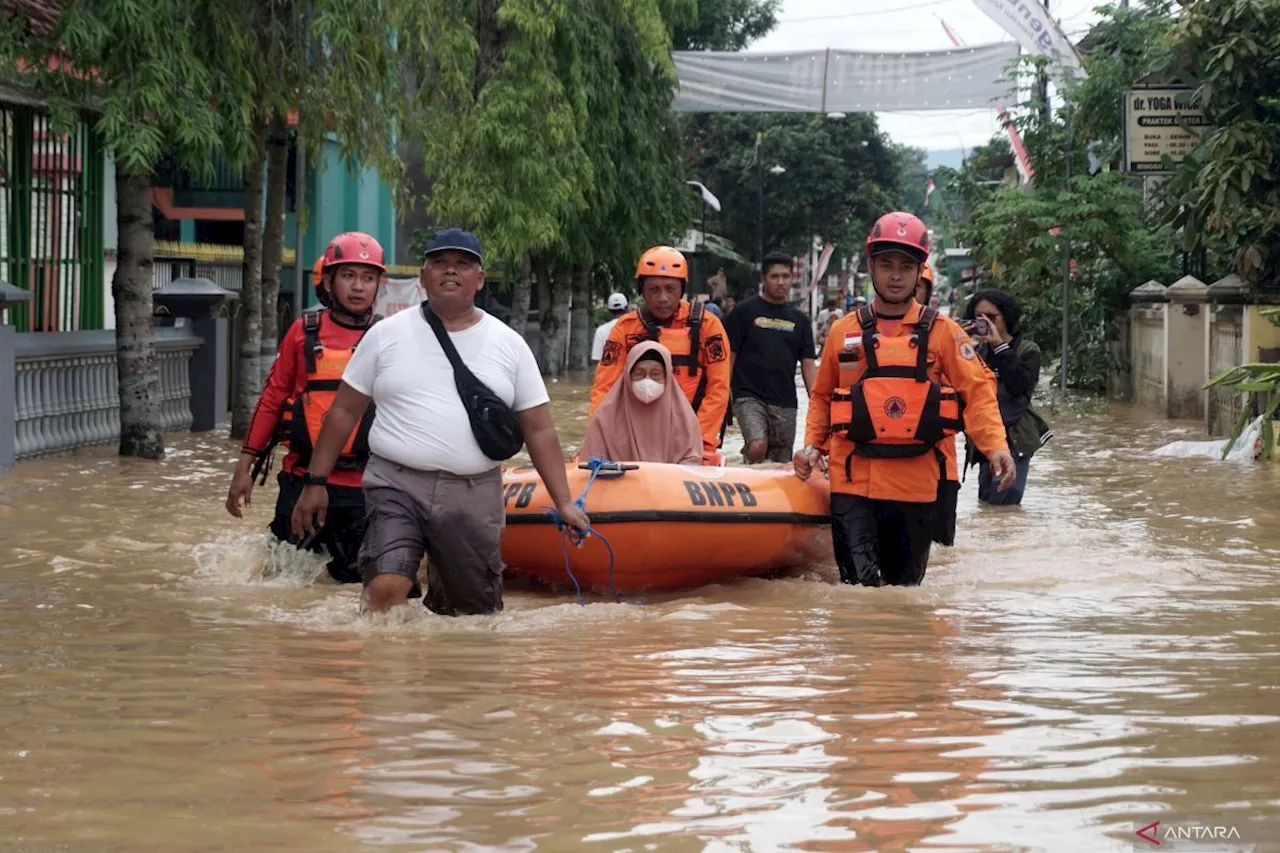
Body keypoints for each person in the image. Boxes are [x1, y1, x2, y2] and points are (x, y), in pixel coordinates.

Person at [291, 227, 589, 616]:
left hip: (472, 491)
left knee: (470, 616)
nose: (451, 272)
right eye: (440, 263)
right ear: (423, 276)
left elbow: (539, 428)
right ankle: (381, 673)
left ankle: (443, 675)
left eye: (463, 264)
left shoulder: (510, 344)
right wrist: (316, 482)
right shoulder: (384, 336)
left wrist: (564, 502)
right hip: (394, 483)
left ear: (479, 280)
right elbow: (344, 411)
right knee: (386, 587)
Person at [793, 211, 1017, 587]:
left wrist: (996, 447)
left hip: (915, 483)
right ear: (871, 268)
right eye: (886, 265)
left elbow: (977, 392)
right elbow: (823, 395)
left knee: (903, 594)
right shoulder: (843, 331)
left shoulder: (944, 333)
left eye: (905, 266)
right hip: (853, 483)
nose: (895, 275)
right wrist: (813, 444)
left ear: (919, 271)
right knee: (859, 593)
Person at [226, 232, 385, 585]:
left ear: (378, 284)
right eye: (348, 276)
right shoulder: (302, 333)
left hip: (364, 488)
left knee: (357, 588)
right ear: (329, 281)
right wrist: (244, 468)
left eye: (368, 278)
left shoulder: (389, 337)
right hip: (301, 481)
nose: (358, 287)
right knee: (283, 584)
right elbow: (271, 399)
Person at [590, 246, 731, 465]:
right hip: (638, 432)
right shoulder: (625, 329)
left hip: (695, 432)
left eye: (670, 289)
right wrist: (595, 438)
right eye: (654, 289)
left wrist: (700, 441)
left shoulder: (708, 326)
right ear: (641, 290)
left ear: (682, 289)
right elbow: (604, 389)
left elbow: (719, 388)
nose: (662, 298)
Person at [960, 289, 1052, 505]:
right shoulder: (974, 351)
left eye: (991, 317)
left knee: (1005, 502)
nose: (984, 323)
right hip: (985, 436)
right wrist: (958, 342)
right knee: (986, 501)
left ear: (1006, 317)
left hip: (1015, 437)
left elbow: (1020, 385)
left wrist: (999, 346)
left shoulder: (1028, 350)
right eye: (978, 318)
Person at [724, 250, 817, 464]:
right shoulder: (743, 312)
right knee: (758, 446)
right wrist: (722, 396)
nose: (781, 282)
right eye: (775, 276)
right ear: (764, 279)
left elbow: (808, 365)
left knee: (780, 462)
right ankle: (745, 468)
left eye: (785, 276)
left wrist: (818, 401)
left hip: (785, 401)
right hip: (749, 396)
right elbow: (730, 356)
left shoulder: (800, 320)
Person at [578, 342, 702, 465]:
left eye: (655, 374)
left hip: (670, 482)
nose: (647, 380)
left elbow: (692, 460)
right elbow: (591, 463)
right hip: (617, 482)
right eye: (639, 373)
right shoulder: (605, 416)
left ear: (667, 376)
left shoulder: (685, 419)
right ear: (628, 376)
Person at [915, 259, 960, 547]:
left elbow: (979, 390)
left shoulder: (946, 333)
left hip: (939, 463)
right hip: (880, 464)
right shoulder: (860, 332)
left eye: (917, 285)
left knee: (941, 549)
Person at [590, 292, 629, 366]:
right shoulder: (635, 327)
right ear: (627, 308)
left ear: (609, 310)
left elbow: (596, 359)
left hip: (610, 375)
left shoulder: (601, 330)